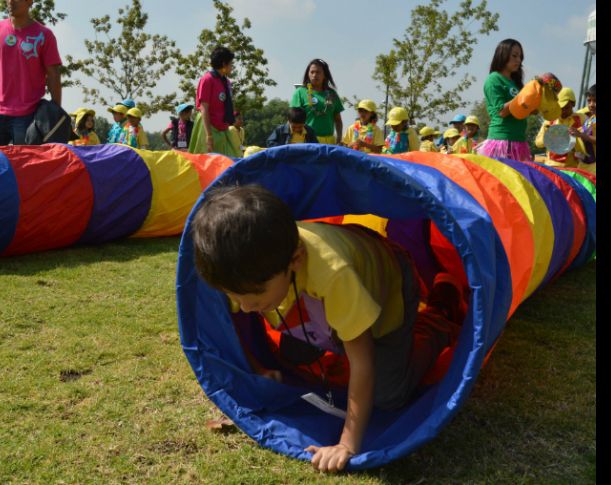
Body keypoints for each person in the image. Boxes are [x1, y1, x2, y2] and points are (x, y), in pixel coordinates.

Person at [191, 184, 465, 473]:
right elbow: (235, 325)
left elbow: (363, 360)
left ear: (294, 261)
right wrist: (257, 368)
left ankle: (440, 313)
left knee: (389, 395)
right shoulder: (242, 271)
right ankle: (329, 331)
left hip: (388, 283)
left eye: (256, 300)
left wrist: (347, 444)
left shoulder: (334, 274)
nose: (245, 308)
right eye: (236, 299)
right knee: (293, 356)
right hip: (321, 296)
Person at [0, 0, 62, 145]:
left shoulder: (44, 35)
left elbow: (53, 74)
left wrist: (55, 111)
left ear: (29, 2)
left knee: (26, 166)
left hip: (30, 116)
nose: (10, 1)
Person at [477, 39, 532, 161]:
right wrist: (524, 97)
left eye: (520, 57)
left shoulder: (515, 83)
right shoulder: (493, 79)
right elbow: (501, 111)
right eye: (514, 56)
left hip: (519, 141)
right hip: (502, 142)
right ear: (503, 55)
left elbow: (524, 109)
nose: (518, 60)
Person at [188, 46, 240, 157]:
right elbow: (204, 108)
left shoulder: (226, 82)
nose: (232, 67)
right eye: (231, 64)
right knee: (208, 163)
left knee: (230, 160)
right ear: (223, 63)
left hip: (223, 129)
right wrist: (209, 136)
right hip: (208, 127)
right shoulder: (207, 80)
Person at [290, 59, 345, 144]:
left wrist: (339, 139)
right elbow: (292, 120)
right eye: (312, 72)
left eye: (318, 72)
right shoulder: (300, 93)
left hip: (329, 143)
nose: (314, 75)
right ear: (308, 74)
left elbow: (338, 120)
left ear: (325, 75)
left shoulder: (332, 94)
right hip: (307, 142)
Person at [534, 87, 587, 168]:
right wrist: (549, 135)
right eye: (561, 108)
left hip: (573, 168)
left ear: (573, 104)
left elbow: (589, 141)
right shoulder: (550, 121)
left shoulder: (582, 118)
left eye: (566, 107)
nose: (563, 111)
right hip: (552, 167)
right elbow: (538, 143)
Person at [571, 84, 596, 174]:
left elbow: (583, 135)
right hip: (585, 166)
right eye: (589, 101)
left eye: (595, 101)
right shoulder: (592, 119)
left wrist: (580, 135)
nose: (591, 105)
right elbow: (583, 133)